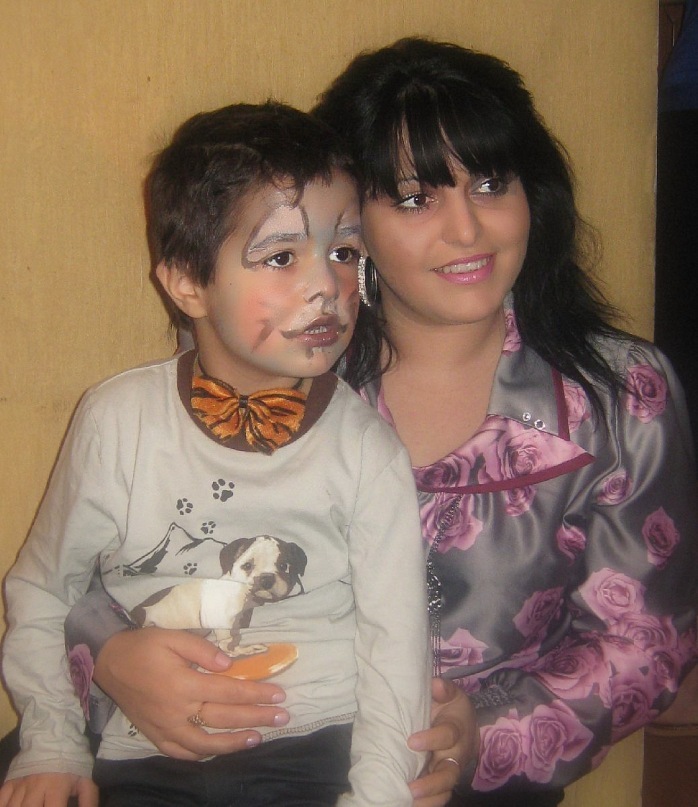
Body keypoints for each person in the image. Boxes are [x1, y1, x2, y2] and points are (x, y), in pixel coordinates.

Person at [60, 37, 698, 806]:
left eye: (491, 183)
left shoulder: (617, 396)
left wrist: (482, 734)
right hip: (233, 744)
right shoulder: (276, 368)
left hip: (449, 781)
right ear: (349, 217)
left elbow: (644, 644)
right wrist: (114, 656)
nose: (467, 231)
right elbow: (98, 558)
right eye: (416, 198)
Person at [0, 101, 433, 807]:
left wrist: (379, 795)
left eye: (345, 253)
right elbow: (45, 590)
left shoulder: (367, 451)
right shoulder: (117, 422)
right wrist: (51, 742)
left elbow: (398, 647)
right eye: (281, 257)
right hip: (141, 746)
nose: (326, 285)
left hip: (315, 747)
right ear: (187, 283)